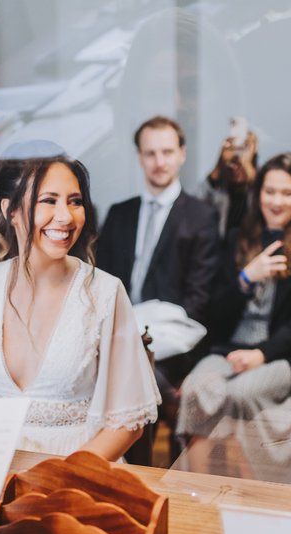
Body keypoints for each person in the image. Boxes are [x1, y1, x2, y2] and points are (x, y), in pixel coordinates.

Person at [0, 151, 159, 460]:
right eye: (49, 201)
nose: (66, 216)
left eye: (75, 201)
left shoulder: (106, 292)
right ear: (10, 211)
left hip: (76, 474)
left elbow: (127, 423)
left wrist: (61, 479)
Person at [178, 153, 291, 463]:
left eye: (288, 193)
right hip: (231, 348)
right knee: (196, 389)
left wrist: (260, 355)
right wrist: (246, 278)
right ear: (258, 194)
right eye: (270, 191)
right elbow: (215, 310)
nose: (277, 201)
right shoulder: (237, 239)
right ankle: (195, 490)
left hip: (284, 354)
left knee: (238, 394)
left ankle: (245, 491)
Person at [95, 116, 221, 420]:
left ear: (182, 154)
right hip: (118, 332)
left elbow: (198, 301)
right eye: (150, 153)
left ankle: (137, 461)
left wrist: (146, 335)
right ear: (139, 157)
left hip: (172, 339)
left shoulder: (201, 217)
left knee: (135, 375)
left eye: (167, 152)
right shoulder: (119, 213)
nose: (159, 161)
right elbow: (100, 283)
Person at [199, 128, 259, 238]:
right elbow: (193, 203)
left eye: (239, 164)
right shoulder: (220, 189)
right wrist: (220, 163)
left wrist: (246, 164)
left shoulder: (257, 186)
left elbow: (265, 195)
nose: (234, 168)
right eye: (231, 164)